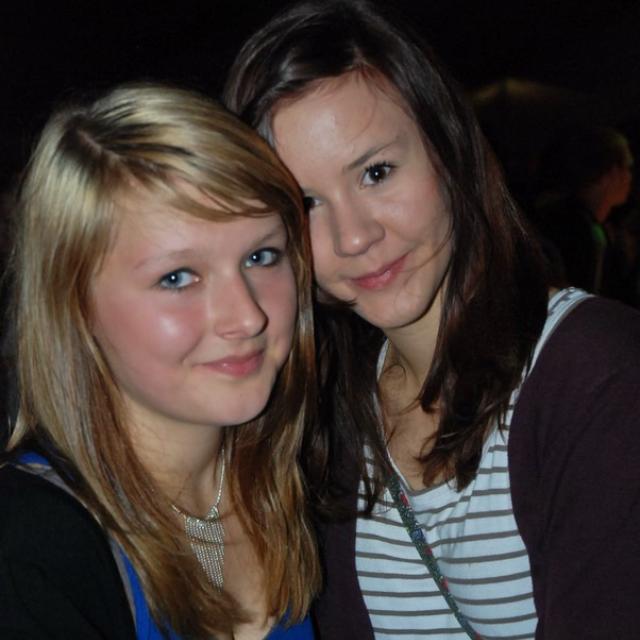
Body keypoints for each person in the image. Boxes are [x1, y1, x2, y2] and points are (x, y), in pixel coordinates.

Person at [223, 1, 640, 638]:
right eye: (306, 203)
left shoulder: (597, 376)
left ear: (448, 149)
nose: (354, 236)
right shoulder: (324, 412)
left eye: (376, 172)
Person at [0, 83, 320, 640]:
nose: (246, 316)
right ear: (75, 307)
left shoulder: (293, 476)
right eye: (177, 277)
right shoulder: (31, 551)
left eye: (261, 255)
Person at [533, 126, 634, 295]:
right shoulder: (574, 230)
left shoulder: (586, 224)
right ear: (612, 172)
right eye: (628, 167)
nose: (630, 177)